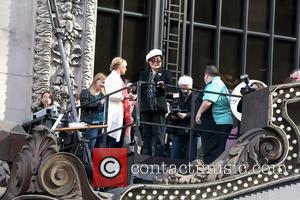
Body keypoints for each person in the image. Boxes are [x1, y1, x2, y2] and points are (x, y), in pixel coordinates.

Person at [195, 65, 233, 164]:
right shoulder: (220, 84)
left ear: (206, 75)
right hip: (221, 122)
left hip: (216, 123)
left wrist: (198, 114)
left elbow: (208, 101)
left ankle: (211, 174)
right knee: (217, 152)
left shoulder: (214, 84)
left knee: (212, 152)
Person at [139, 49, 172, 156]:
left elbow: (170, 88)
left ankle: (158, 159)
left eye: (159, 60)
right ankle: (145, 157)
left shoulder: (166, 73)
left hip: (159, 108)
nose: (157, 62)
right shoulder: (144, 74)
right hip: (146, 107)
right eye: (154, 60)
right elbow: (141, 89)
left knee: (158, 134)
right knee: (146, 134)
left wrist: (161, 83)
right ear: (149, 62)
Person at [105, 57, 134, 148]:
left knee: (118, 143)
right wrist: (125, 96)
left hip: (120, 114)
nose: (126, 68)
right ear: (119, 66)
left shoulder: (118, 78)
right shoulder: (111, 78)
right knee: (112, 142)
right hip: (114, 114)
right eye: (125, 66)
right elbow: (110, 95)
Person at [167, 75, 198, 161]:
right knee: (175, 155)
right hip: (178, 129)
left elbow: (198, 113)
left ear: (191, 86)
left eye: (186, 87)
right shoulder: (176, 95)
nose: (184, 90)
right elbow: (174, 108)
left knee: (190, 157)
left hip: (191, 129)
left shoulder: (196, 96)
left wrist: (186, 115)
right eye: (182, 87)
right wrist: (173, 116)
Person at [80, 73, 106, 150]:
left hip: (102, 125)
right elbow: (85, 105)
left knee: (99, 149)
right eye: (102, 82)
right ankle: (87, 162)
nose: (103, 85)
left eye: (104, 83)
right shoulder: (86, 92)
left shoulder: (104, 94)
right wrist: (100, 102)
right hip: (91, 124)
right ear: (96, 80)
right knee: (89, 148)